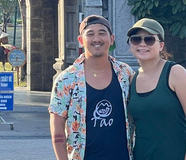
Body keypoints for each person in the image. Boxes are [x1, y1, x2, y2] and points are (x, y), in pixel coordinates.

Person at [49, 15, 134, 160]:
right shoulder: (67, 79)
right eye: (90, 34)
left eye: (102, 33)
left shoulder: (125, 73)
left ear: (111, 39)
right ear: (81, 41)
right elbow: (57, 129)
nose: (96, 39)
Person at [126, 18, 186, 160]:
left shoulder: (175, 72)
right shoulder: (131, 79)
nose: (142, 44)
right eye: (136, 39)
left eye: (149, 40)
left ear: (161, 45)